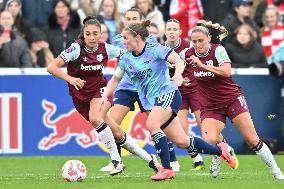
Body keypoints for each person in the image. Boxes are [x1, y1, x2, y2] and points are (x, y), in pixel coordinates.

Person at [100, 20, 237, 181]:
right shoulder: (126, 58)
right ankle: (222, 151)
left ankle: (166, 169)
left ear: (137, 37)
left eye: (126, 38)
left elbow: (178, 60)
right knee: (182, 141)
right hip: (152, 102)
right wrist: (104, 96)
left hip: (168, 93)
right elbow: (115, 80)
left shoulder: (155, 49)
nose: (123, 42)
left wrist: (178, 74)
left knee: (152, 124)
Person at [47, 16, 160, 176]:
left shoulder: (105, 48)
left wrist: (153, 60)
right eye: (88, 34)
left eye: (95, 34)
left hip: (100, 90)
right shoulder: (76, 49)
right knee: (117, 133)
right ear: (83, 34)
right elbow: (52, 67)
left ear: (101, 34)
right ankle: (150, 159)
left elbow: (128, 54)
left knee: (95, 117)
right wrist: (70, 79)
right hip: (79, 96)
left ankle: (116, 161)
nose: (92, 37)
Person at [180, 20, 284, 180]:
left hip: (231, 99)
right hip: (210, 105)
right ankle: (220, 152)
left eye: (200, 40)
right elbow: (176, 66)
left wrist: (203, 66)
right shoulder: (187, 54)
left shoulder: (218, 50)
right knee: (209, 141)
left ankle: (276, 171)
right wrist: (182, 78)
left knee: (252, 139)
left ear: (208, 39)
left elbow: (226, 72)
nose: (197, 44)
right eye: (194, 41)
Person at [100, 7, 180, 173]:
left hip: (148, 87)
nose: (131, 21)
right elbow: (117, 64)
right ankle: (116, 161)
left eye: (134, 18)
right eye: (128, 18)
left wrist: (171, 67)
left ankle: (171, 161)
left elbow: (156, 59)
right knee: (113, 121)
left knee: (157, 124)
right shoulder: (118, 39)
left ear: (141, 21)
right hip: (126, 86)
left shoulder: (149, 39)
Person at [164, 18, 205, 171]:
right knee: (181, 131)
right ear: (165, 31)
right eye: (169, 29)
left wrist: (191, 78)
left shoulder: (188, 46)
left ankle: (222, 150)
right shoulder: (161, 49)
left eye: (175, 29)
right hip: (178, 93)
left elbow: (199, 63)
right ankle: (197, 159)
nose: (172, 32)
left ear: (180, 32)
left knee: (205, 127)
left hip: (195, 91)